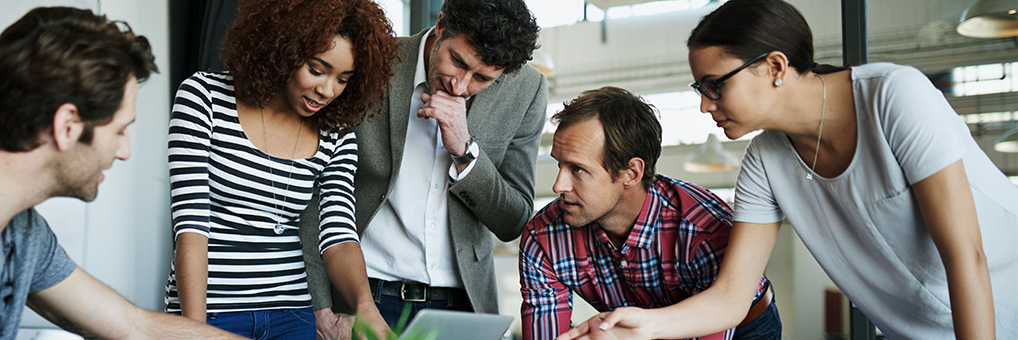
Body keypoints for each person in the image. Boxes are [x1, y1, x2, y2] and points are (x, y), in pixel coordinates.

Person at [561, 0, 1018, 339]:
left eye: (714, 86)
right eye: (699, 88)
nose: (704, 105)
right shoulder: (766, 160)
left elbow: (966, 256)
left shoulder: (894, 97)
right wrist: (644, 323)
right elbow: (731, 299)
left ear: (775, 66)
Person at [0, 7, 244, 340]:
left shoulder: (21, 230)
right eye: (120, 130)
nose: (125, 151)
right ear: (68, 126)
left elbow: (132, 325)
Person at [297, 0, 545, 338]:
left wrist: (465, 151)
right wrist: (319, 305)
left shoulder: (527, 90)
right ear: (441, 25)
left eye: (483, 79)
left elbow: (513, 220)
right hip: (364, 295)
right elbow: (316, 187)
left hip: (461, 304)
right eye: (457, 61)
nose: (460, 86)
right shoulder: (374, 61)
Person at [162, 0, 398, 339]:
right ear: (284, 48)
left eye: (343, 79)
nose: (327, 90)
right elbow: (191, 228)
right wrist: (196, 331)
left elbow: (338, 235)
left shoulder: (336, 133)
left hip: (292, 315)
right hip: (210, 311)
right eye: (317, 70)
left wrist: (365, 307)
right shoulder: (205, 98)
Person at [521, 87, 781, 340]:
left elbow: (715, 323)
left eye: (577, 169)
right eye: (559, 164)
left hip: (743, 327)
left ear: (631, 173)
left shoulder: (706, 229)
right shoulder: (542, 237)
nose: (558, 185)